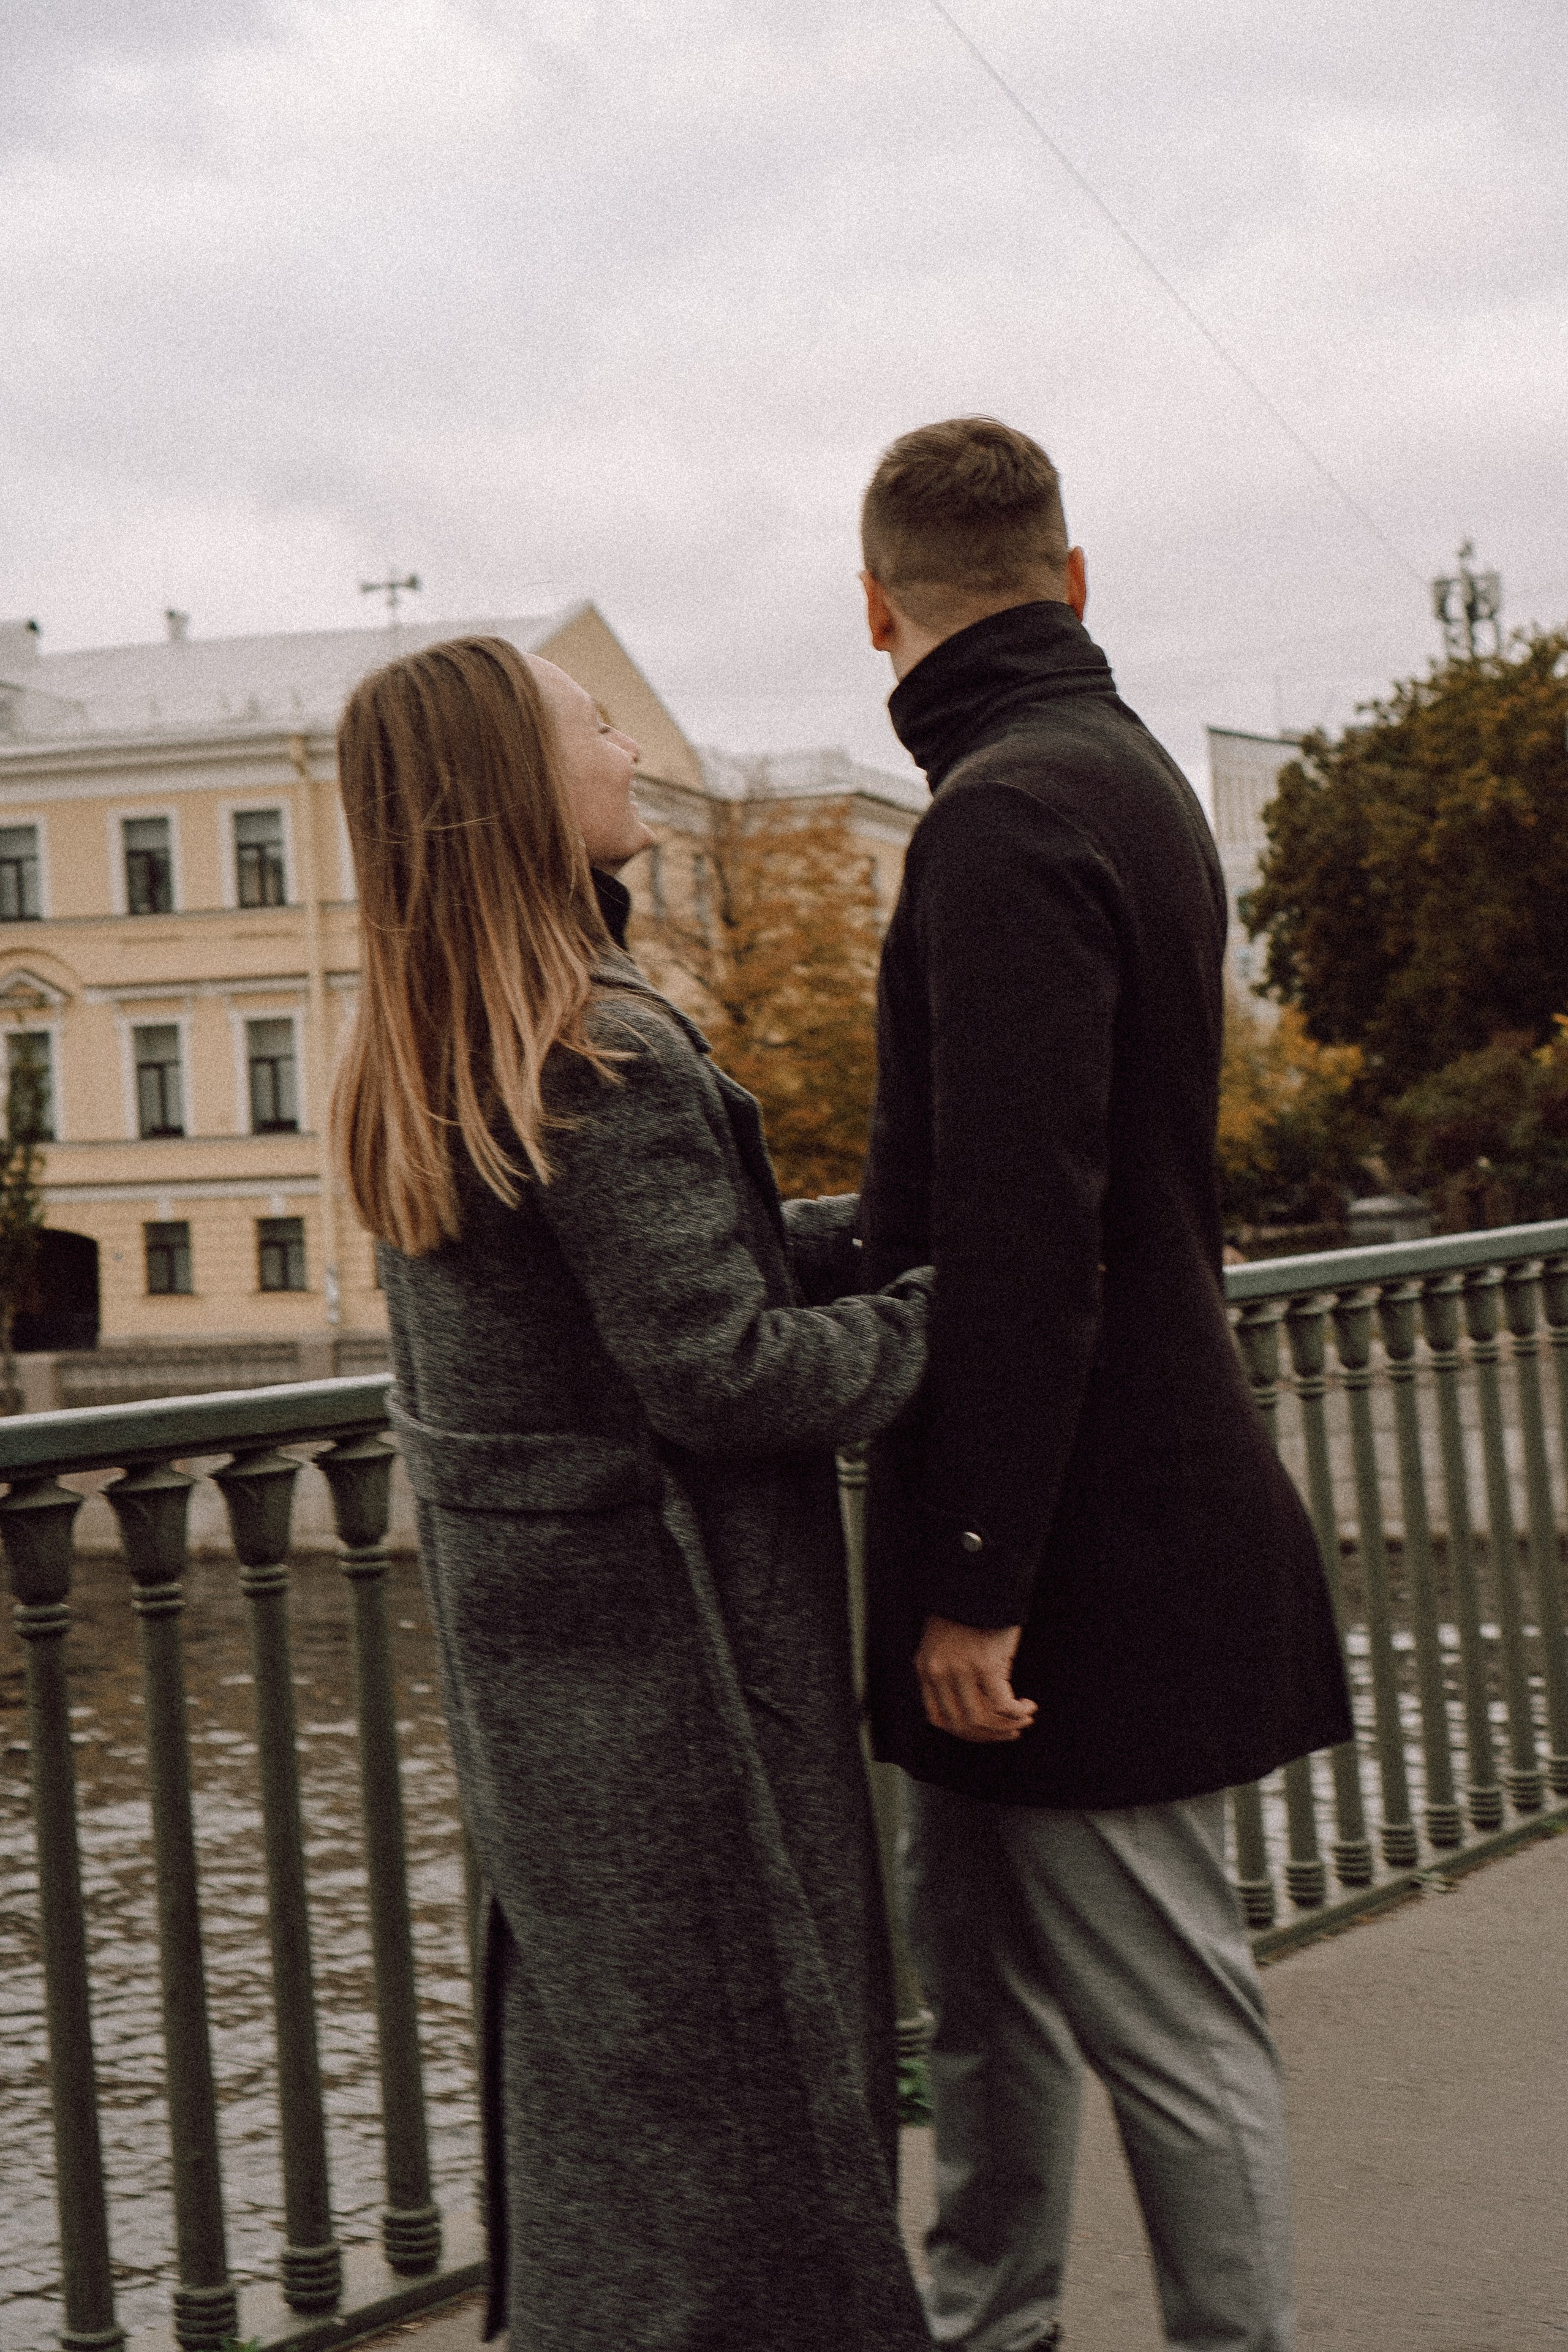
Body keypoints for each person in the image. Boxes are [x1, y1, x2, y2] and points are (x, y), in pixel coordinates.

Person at [331, 634, 938, 2352]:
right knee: (764, 2114)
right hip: (690, 1689)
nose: (624, 749)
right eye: (594, 726)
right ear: (519, 790)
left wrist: (864, 1234)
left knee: (626, 2109)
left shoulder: (444, 1043)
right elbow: (724, 1375)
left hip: (553, 1698)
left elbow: (644, 1307)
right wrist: (967, 1312)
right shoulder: (602, 1053)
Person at [855, 418, 1353, 2352]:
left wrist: (979, 1573)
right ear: (1074, 580)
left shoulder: (996, 815)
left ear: (875, 606)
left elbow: (1027, 1221)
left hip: (1068, 1548)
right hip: (1080, 1504)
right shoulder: (1124, 775)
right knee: (976, 2004)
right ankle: (995, 2330)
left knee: (1165, 2019)